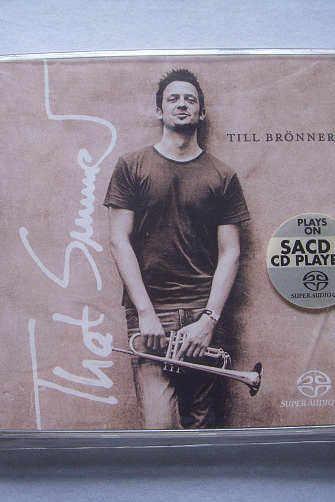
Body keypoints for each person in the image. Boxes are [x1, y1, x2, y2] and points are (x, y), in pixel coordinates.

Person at [103, 69, 251, 429]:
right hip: (152, 313)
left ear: (202, 112)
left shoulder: (223, 175)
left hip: (203, 312)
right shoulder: (131, 166)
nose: (182, 104)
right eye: (173, 98)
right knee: (160, 428)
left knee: (201, 427)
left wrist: (209, 320)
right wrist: (145, 313)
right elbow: (118, 240)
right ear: (160, 111)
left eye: (190, 99)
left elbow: (230, 252)